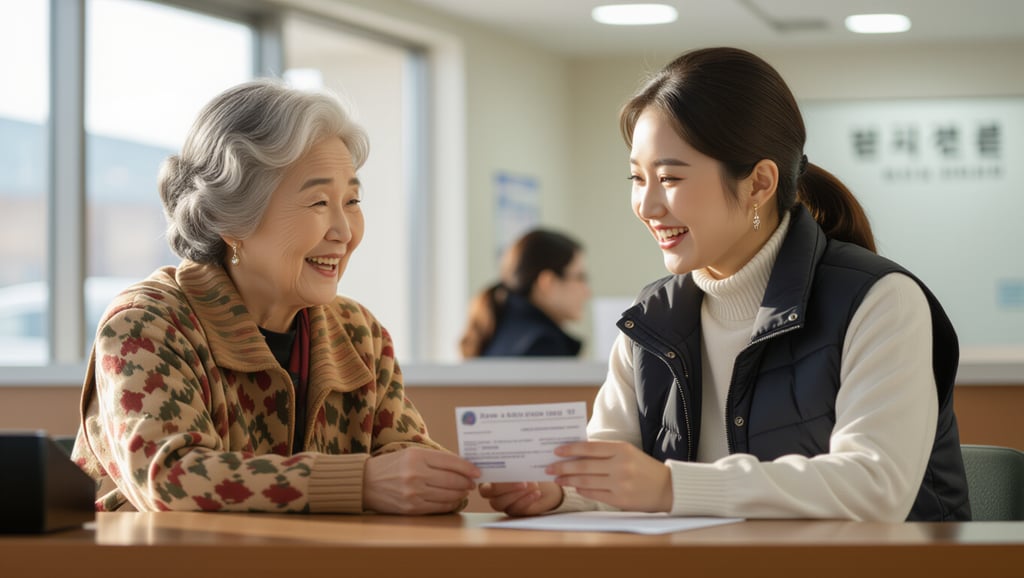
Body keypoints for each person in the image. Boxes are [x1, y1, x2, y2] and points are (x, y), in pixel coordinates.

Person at [480, 47, 970, 522]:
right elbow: (613, 473)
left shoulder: (880, 300)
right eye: (637, 178)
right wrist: (558, 493)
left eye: (669, 178)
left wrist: (671, 488)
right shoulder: (651, 316)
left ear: (759, 183)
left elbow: (874, 488)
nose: (648, 207)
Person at [70, 79, 480, 514]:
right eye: (319, 203)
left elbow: (408, 466)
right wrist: (356, 483)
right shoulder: (147, 323)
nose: (343, 232)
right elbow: (170, 479)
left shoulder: (359, 334)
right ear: (231, 219)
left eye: (353, 200)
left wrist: (533, 485)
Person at [460, 228, 590, 358]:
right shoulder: (542, 345)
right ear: (547, 283)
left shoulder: (496, 330)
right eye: (580, 278)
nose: (587, 292)